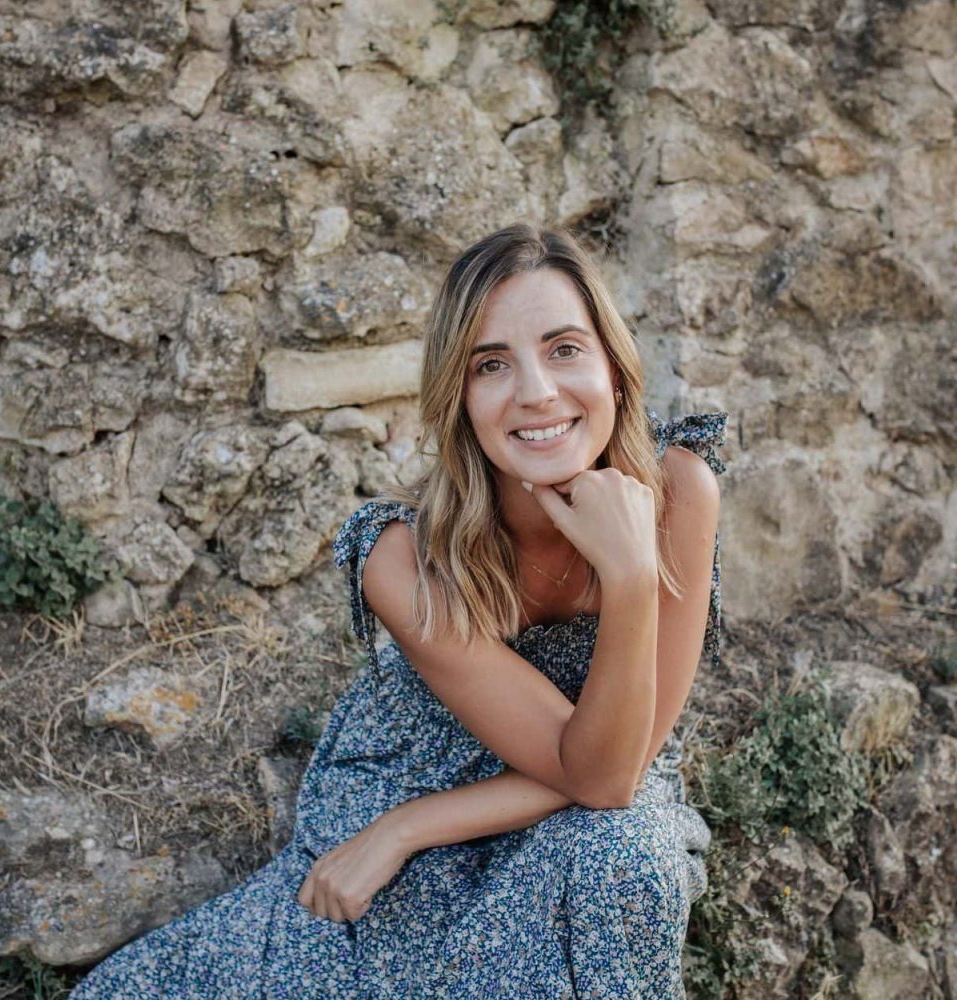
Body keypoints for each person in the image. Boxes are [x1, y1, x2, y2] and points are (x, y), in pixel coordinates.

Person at [69, 222, 729, 999]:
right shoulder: (402, 558)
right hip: (416, 812)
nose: (537, 392)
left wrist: (628, 574)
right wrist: (393, 829)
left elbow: (616, 774)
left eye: (564, 349)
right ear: (462, 401)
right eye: (492, 365)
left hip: (545, 809)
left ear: (615, 370)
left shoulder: (680, 490)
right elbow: (596, 769)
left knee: (624, 852)